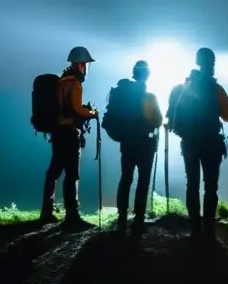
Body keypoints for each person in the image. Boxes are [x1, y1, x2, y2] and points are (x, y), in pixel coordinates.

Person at [166, 47, 228, 236]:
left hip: (189, 143)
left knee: (192, 183)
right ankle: (209, 227)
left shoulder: (185, 87)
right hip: (211, 143)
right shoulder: (216, 88)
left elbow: (174, 114)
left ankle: (195, 225)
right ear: (212, 64)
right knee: (211, 186)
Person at [40, 46, 98, 225]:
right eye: (85, 64)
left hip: (57, 132)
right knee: (72, 174)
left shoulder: (62, 81)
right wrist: (92, 113)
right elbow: (76, 108)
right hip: (69, 133)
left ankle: (47, 211)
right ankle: (72, 215)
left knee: (54, 171)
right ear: (81, 65)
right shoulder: (74, 83)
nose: (86, 68)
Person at [112, 60, 164, 232]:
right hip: (145, 143)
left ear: (134, 73)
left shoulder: (124, 96)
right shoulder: (149, 96)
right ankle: (139, 217)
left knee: (126, 178)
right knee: (143, 180)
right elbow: (158, 121)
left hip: (127, 142)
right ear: (148, 75)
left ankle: (121, 215)